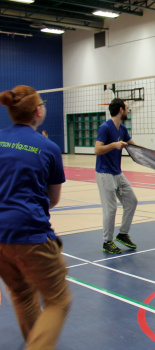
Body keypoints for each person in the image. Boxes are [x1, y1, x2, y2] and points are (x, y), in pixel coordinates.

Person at [0, 85, 72, 349]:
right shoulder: (48, 147)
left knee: (21, 293)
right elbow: (53, 200)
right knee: (58, 300)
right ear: (37, 112)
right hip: (28, 234)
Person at [95, 98, 138, 254]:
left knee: (132, 201)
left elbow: (134, 146)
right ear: (121, 110)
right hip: (104, 173)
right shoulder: (105, 128)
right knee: (111, 208)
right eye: (127, 108)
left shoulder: (123, 129)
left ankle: (123, 234)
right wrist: (114, 145)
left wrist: (154, 154)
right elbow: (97, 150)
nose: (128, 110)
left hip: (117, 173)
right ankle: (107, 242)